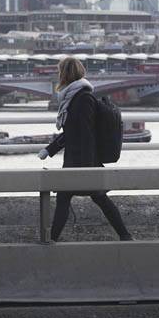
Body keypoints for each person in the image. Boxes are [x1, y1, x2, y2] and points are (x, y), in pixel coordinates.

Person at [38, 57, 133, 242]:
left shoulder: (82, 99)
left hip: (82, 161)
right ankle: (125, 236)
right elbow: (74, 132)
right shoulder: (75, 97)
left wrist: (87, 169)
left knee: (68, 197)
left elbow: (85, 134)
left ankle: (51, 240)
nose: (58, 76)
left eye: (60, 72)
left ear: (65, 74)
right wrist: (50, 150)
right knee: (97, 198)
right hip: (79, 159)